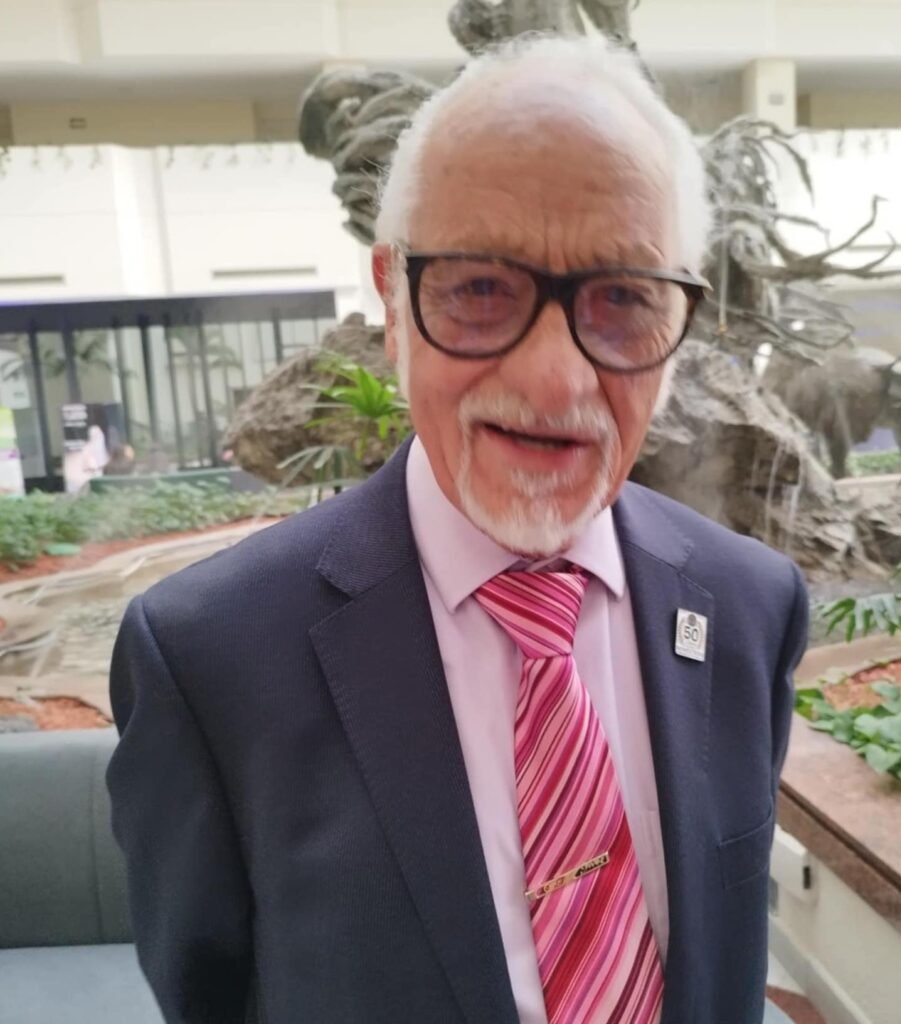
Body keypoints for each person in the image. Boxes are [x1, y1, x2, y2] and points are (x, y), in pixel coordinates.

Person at [107, 35, 808, 1024]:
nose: (555, 380)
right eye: (480, 288)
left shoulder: (750, 607)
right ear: (393, 301)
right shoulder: (210, 657)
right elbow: (205, 992)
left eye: (622, 299)